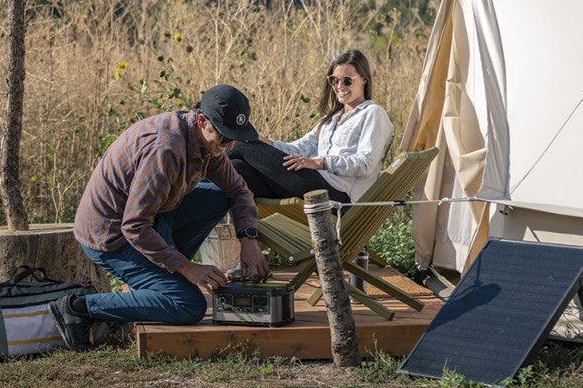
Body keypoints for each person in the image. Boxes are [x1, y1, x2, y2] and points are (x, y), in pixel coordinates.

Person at [49, 84, 269, 351]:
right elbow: (134, 226)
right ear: (202, 120)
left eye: (236, 138)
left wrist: (248, 238)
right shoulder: (165, 150)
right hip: (113, 236)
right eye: (224, 138)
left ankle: (162, 280)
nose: (229, 145)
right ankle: (79, 307)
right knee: (188, 306)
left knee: (217, 196)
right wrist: (189, 268)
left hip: (154, 216)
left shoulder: (205, 143)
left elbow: (238, 190)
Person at [228, 50, 394, 205]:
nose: (339, 86)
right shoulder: (330, 119)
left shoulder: (373, 113)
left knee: (240, 146)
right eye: (334, 80)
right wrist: (260, 140)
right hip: (310, 183)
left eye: (347, 80)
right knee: (236, 168)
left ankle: (204, 163)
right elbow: (297, 149)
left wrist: (321, 162)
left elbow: (366, 164)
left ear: (364, 79)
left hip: (338, 194)